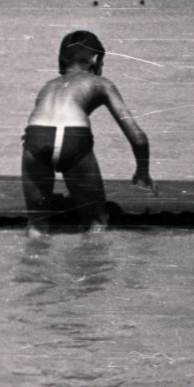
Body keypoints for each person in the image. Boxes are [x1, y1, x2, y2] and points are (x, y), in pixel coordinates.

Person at [21, 30, 154, 235]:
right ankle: (90, 266)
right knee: (97, 223)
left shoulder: (48, 87)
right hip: (74, 138)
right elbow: (138, 138)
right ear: (95, 59)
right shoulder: (101, 83)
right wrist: (142, 171)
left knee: (37, 226)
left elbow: (47, 125)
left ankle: (35, 264)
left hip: (36, 136)